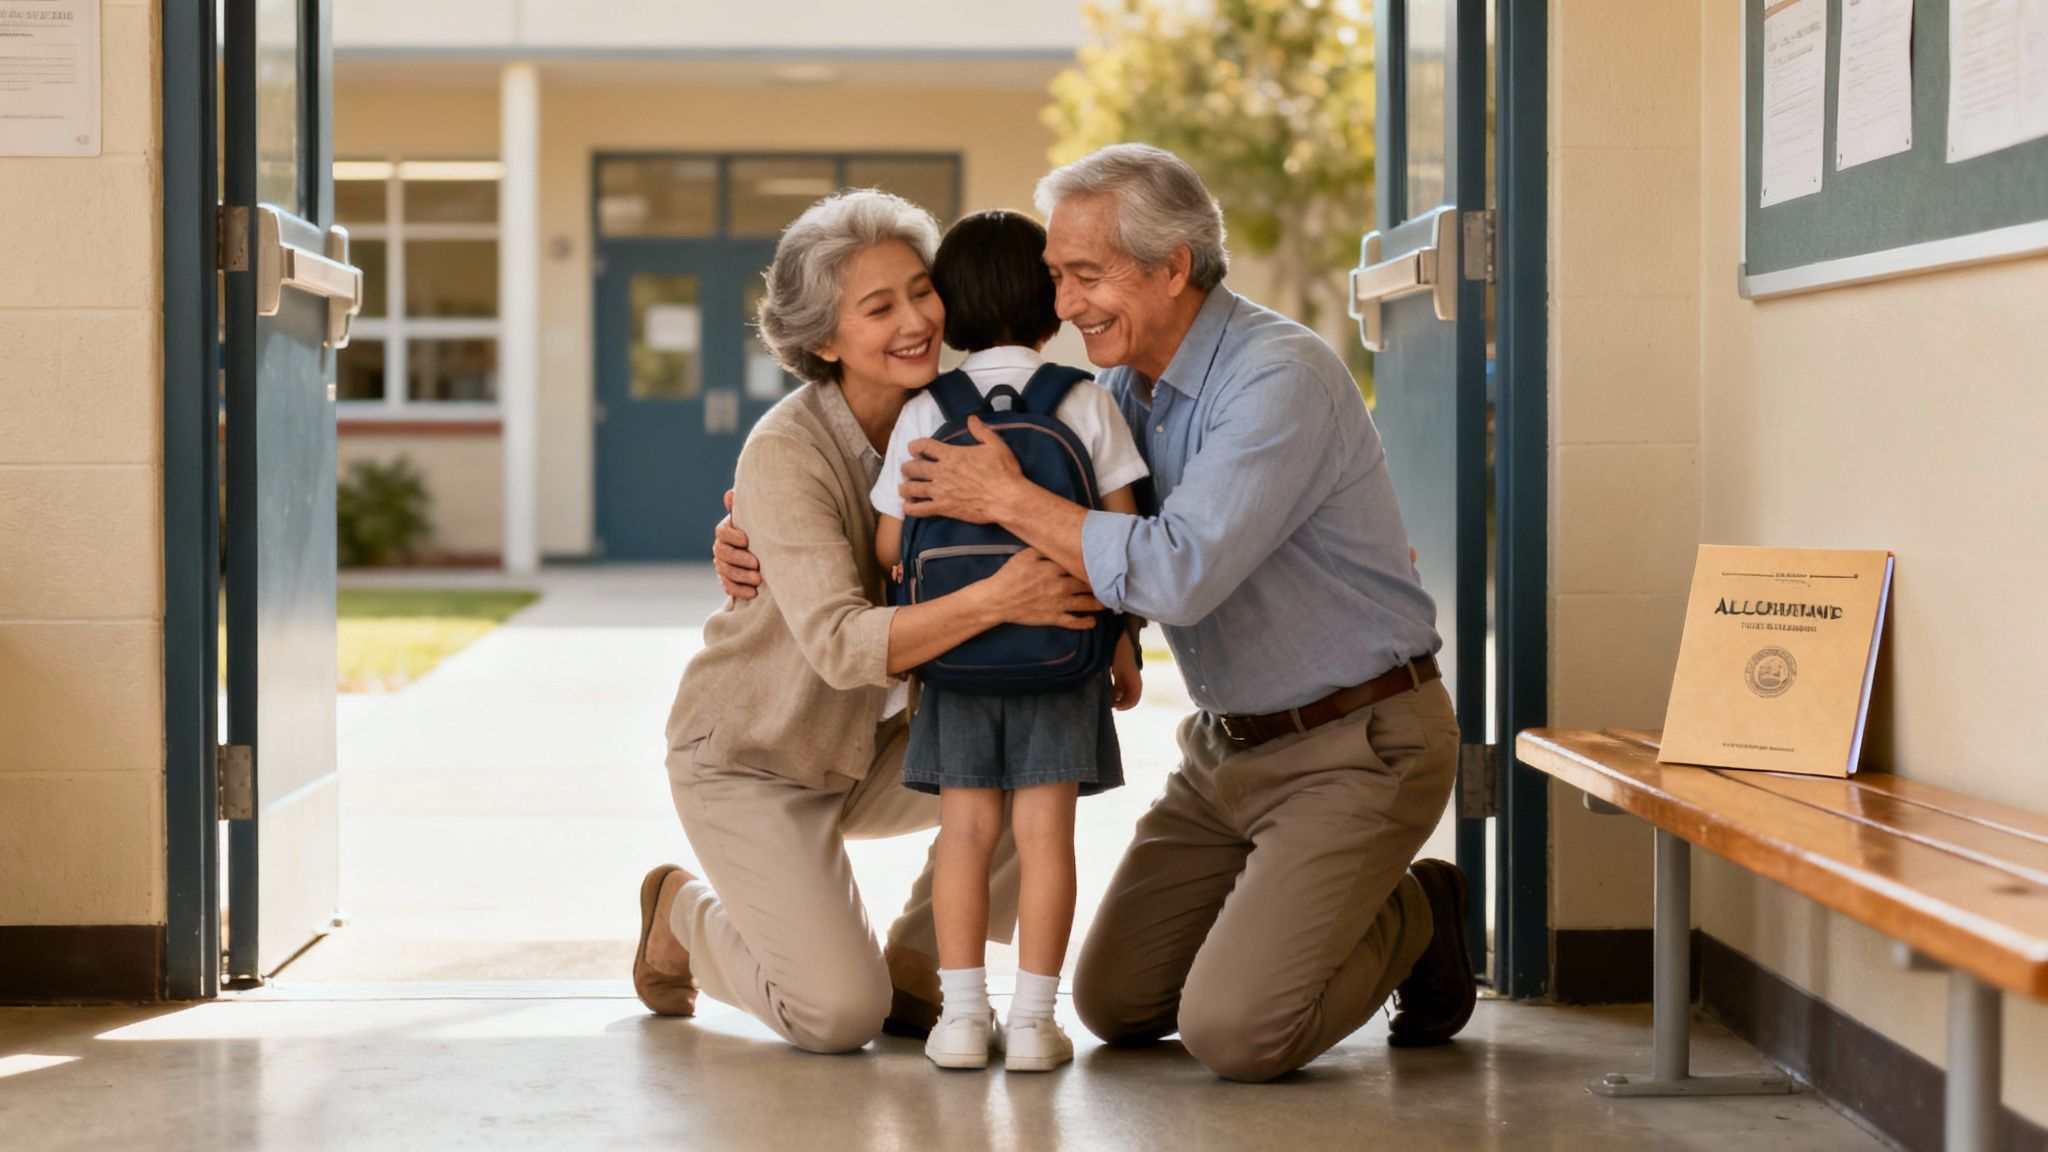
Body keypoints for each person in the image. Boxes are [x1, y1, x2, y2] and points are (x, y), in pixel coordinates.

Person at [714, 145, 1476, 1082]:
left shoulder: (1277, 378)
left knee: (1235, 1036)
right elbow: (1075, 549)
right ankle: (1289, 917)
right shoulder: (1112, 394)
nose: (1065, 306)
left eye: (1085, 277)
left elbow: (1175, 571)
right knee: (1115, 1006)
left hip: (1354, 741)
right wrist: (778, 542)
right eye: (1055, 280)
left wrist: (1005, 500)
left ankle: (1412, 912)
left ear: (1172, 269)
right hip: (1227, 752)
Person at [632, 190, 1106, 1056]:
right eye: (878, 307)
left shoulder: (985, 415)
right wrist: (1002, 598)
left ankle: (922, 963)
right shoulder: (786, 452)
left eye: (922, 291)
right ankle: (680, 915)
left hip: (881, 749)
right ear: (823, 341)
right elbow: (846, 648)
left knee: (1031, 737)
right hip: (758, 755)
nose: (916, 320)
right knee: (834, 1017)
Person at [870, 210, 1150, 1073]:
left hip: (954, 665)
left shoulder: (925, 411)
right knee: (1044, 839)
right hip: (1062, 658)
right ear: (1050, 301)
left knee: (962, 835)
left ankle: (960, 1020)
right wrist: (1123, 644)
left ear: (948, 307)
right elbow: (1123, 540)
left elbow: (888, 549)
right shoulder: (1085, 402)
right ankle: (1033, 1023)